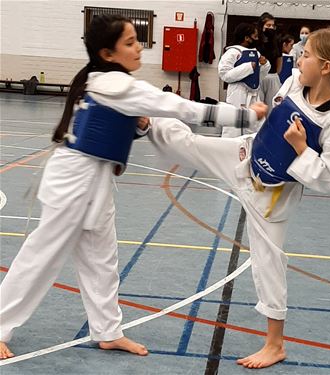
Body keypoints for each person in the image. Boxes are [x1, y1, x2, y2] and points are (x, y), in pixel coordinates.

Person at [0, 14, 266, 360]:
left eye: (137, 39)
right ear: (108, 53)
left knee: (101, 259)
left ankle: (107, 331)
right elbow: (184, 108)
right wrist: (248, 116)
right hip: (73, 181)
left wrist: (138, 125)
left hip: (93, 180)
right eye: (129, 43)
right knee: (42, 257)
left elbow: (119, 125)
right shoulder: (118, 85)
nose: (138, 47)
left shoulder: (105, 80)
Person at [149, 27, 330, 369]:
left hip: (272, 197)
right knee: (191, 145)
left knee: (269, 263)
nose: (298, 59)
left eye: (306, 55)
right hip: (245, 157)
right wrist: (259, 115)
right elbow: (273, 120)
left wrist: (301, 148)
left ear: (326, 67)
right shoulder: (293, 85)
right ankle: (146, 119)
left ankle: (275, 344)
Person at [218, 22, 270, 137]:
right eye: (255, 36)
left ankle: (252, 151)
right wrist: (248, 67)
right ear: (246, 38)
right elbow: (224, 74)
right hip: (237, 92)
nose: (257, 39)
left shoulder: (256, 53)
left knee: (256, 125)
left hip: (254, 93)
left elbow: (259, 76)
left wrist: (265, 65)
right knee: (234, 125)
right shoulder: (232, 52)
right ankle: (230, 151)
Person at [256, 12, 283, 116]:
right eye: (268, 25)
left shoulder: (277, 41)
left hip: (272, 76)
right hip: (259, 76)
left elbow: (279, 61)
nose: (271, 28)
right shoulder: (257, 40)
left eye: (272, 25)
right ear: (261, 26)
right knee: (259, 106)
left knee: (273, 108)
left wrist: (275, 75)